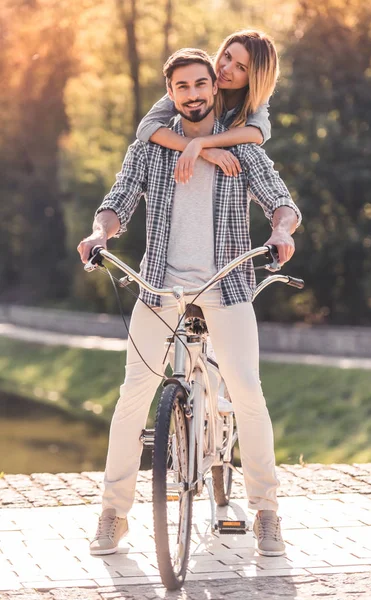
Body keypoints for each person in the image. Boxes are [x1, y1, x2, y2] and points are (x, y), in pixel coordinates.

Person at [78, 47, 302, 558]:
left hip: (226, 286)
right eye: (183, 87)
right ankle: (113, 514)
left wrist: (281, 232)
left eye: (203, 84)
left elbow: (281, 201)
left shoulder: (241, 146)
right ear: (171, 93)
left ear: (213, 87)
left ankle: (266, 512)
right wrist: (99, 234)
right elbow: (118, 201)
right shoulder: (151, 147)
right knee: (133, 394)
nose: (195, 94)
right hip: (159, 287)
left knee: (247, 391)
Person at [136, 30, 278, 184]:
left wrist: (201, 143)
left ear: (255, 78)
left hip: (223, 176)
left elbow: (258, 132)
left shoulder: (255, 99)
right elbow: (146, 127)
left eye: (241, 68)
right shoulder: (197, 81)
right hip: (181, 165)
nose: (226, 68)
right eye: (227, 56)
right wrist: (202, 150)